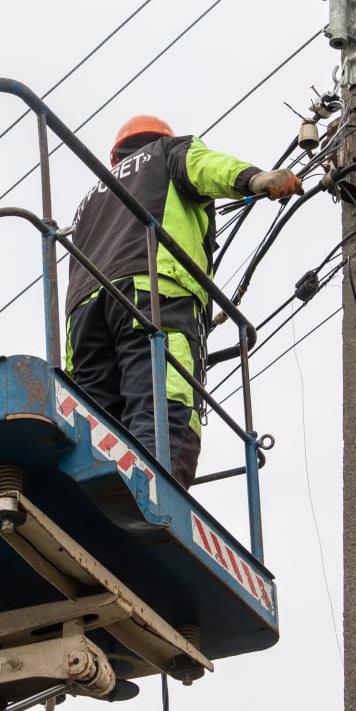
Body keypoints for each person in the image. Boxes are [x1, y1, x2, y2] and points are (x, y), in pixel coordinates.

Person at [64, 115, 302, 487]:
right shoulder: (168, 152)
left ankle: (86, 495)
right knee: (159, 398)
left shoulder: (90, 198)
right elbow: (204, 166)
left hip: (83, 313)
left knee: (92, 414)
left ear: (117, 156)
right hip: (153, 291)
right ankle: (149, 493)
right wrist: (256, 179)